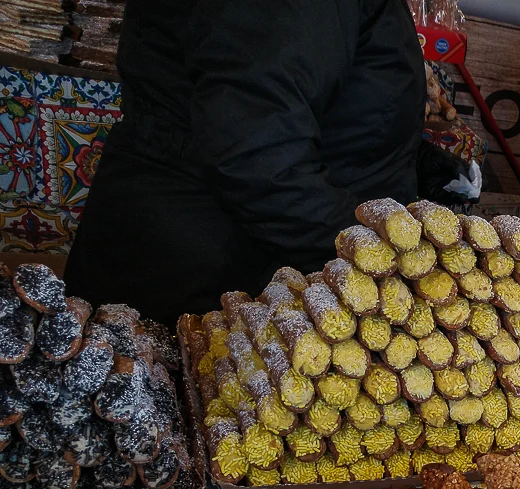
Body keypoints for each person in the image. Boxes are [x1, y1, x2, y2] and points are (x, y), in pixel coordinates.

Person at [65, 0, 426, 319]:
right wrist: (382, 255)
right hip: (200, 261)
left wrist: (424, 168)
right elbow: (257, 153)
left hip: (206, 234)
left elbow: (328, 106)